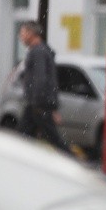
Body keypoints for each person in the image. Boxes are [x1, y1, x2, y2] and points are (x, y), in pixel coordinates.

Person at [17, 20, 72, 155]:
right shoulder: (41, 51)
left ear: (32, 33)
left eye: (23, 33)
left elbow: (40, 79)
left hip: (38, 105)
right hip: (38, 104)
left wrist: (37, 103)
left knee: (51, 137)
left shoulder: (38, 52)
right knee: (24, 137)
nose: (21, 36)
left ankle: (72, 162)